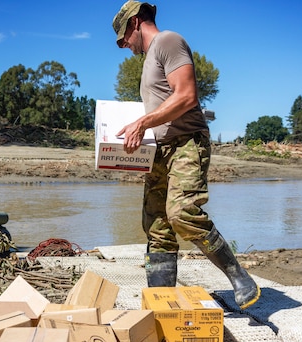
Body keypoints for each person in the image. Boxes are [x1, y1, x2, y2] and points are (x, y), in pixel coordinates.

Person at [111, 1, 260, 309]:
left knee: (182, 213)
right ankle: (161, 303)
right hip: (160, 150)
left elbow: (186, 95)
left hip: (186, 143)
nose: (125, 45)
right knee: (157, 227)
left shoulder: (169, 41)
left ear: (135, 22)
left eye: (123, 37)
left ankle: (239, 275)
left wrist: (142, 122)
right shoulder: (150, 58)